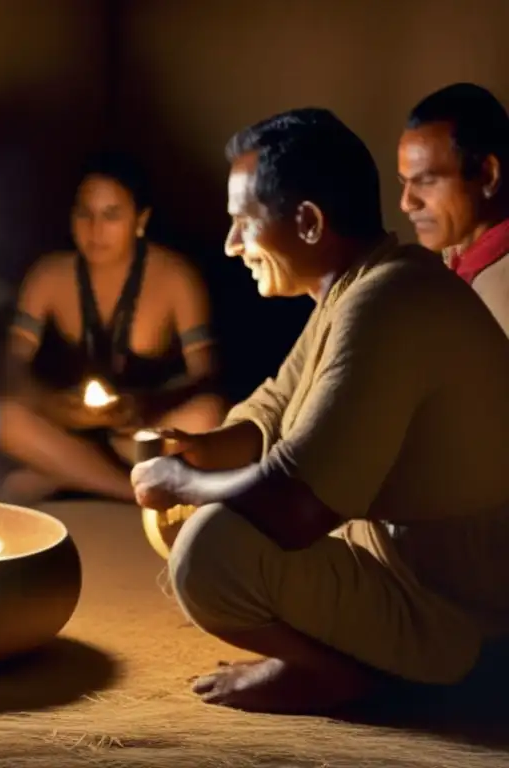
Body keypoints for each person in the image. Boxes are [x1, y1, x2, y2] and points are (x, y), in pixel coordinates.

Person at [131, 108, 509, 715]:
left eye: (242, 225)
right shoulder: (363, 287)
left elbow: (298, 507)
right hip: (396, 562)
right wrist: (193, 450)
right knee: (185, 517)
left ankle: (336, 676)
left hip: (464, 613)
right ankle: (342, 660)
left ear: (307, 222)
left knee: (208, 550)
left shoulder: (384, 302)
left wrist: (185, 480)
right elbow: (274, 407)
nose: (231, 246)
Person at [0, 150, 226, 502]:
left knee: (211, 414)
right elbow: (12, 368)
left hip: (142, 435)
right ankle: (126, 490)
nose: (95, 230)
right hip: (69, 431)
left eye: (111, 215)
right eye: (84, 214)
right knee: (4, 419)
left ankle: (73, 477)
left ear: (140, 219)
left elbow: (206, 375)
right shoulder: (48, 276)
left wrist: (146, 404)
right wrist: (51, 403)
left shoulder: (175, 277)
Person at [398, 82, 509, 335]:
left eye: (426, 181)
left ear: (488, 176)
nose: (406, 203)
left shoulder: (499, 298)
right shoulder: (461, 261)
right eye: (404, 182)